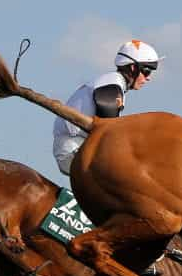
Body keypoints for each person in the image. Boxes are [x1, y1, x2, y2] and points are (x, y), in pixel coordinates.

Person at [52, 39, 161, 176]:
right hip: (74, 148)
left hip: (77, 146)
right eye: (147, 72)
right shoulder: (113, 84)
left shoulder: (113, 83)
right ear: (133, 68)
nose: (148, 78)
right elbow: (108, 132)